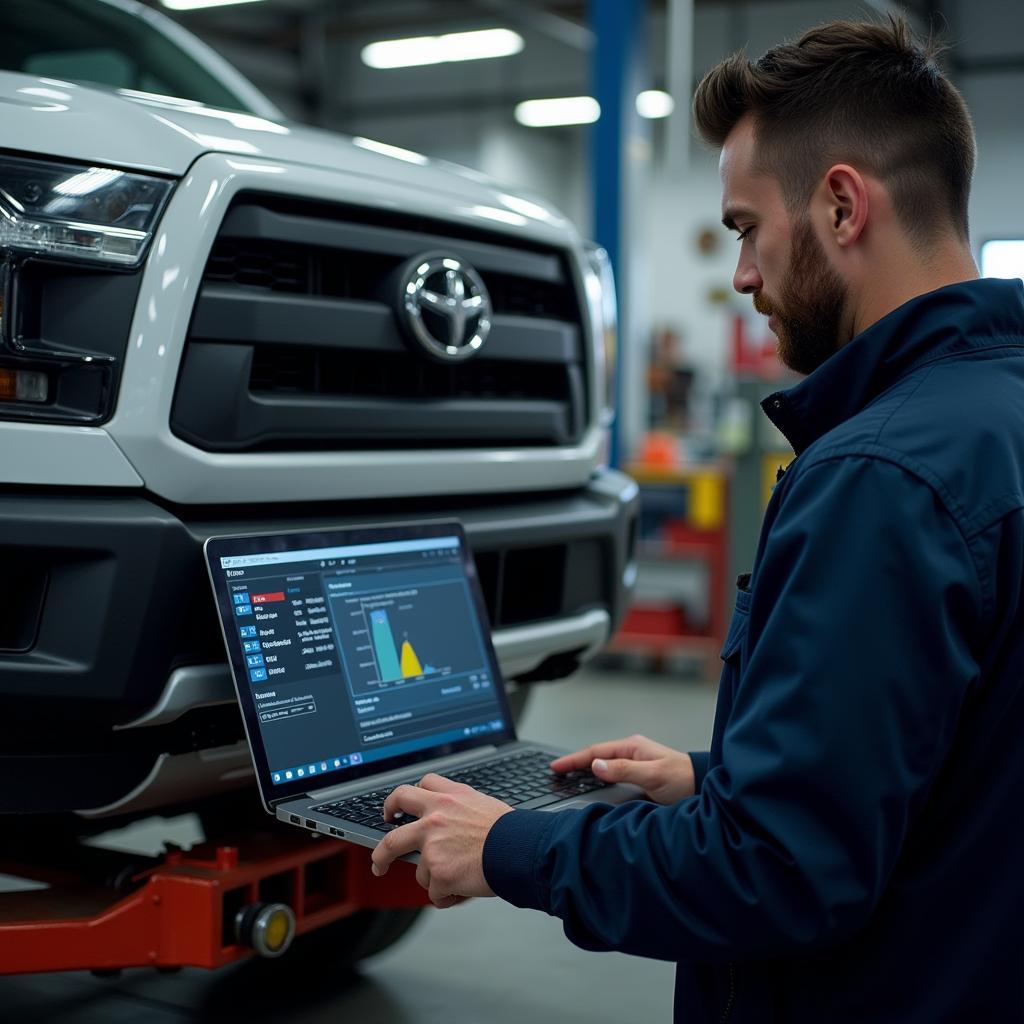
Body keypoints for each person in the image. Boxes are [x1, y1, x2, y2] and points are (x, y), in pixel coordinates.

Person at [372, 17, 1024, 1022]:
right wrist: (721, 777)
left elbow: (774, 871)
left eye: (743, 228)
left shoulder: (880, 476)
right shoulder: (995, 421)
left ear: (842, 204)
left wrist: (506, 844)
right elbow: (964, 766)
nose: (744, 275)